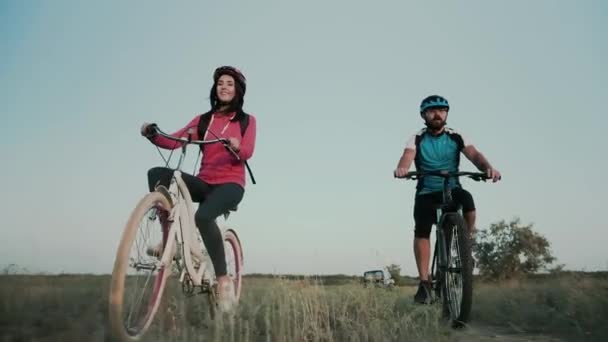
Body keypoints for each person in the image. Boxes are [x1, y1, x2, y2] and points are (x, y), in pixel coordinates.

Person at [140, 65, 256, 311]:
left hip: (231, 184)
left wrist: (236, 145)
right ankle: (167, 243)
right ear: (215, 88)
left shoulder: (247, 121)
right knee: (158, 175)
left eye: (229, 84)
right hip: (205, 181)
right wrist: (153, 134)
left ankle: (224, 280)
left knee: (203, 216)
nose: (224, 87)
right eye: (220, 83)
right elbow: (174, 140)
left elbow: (248, 150)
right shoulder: (204, 120)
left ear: (238, 91)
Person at [393, 95, 500, 304]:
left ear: (446, 114)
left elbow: (474, 155)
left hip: (452, 187)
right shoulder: (417, 138)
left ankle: (466, 244)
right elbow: (407, 156)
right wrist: (403, 168)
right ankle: (424, 283)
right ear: (424, 115)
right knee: (422, 229)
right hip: (426, 190)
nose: (437, 114)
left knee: (467, 200)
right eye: (432, 111)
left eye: (442, 110)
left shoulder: (456, 136)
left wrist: (487, 168)